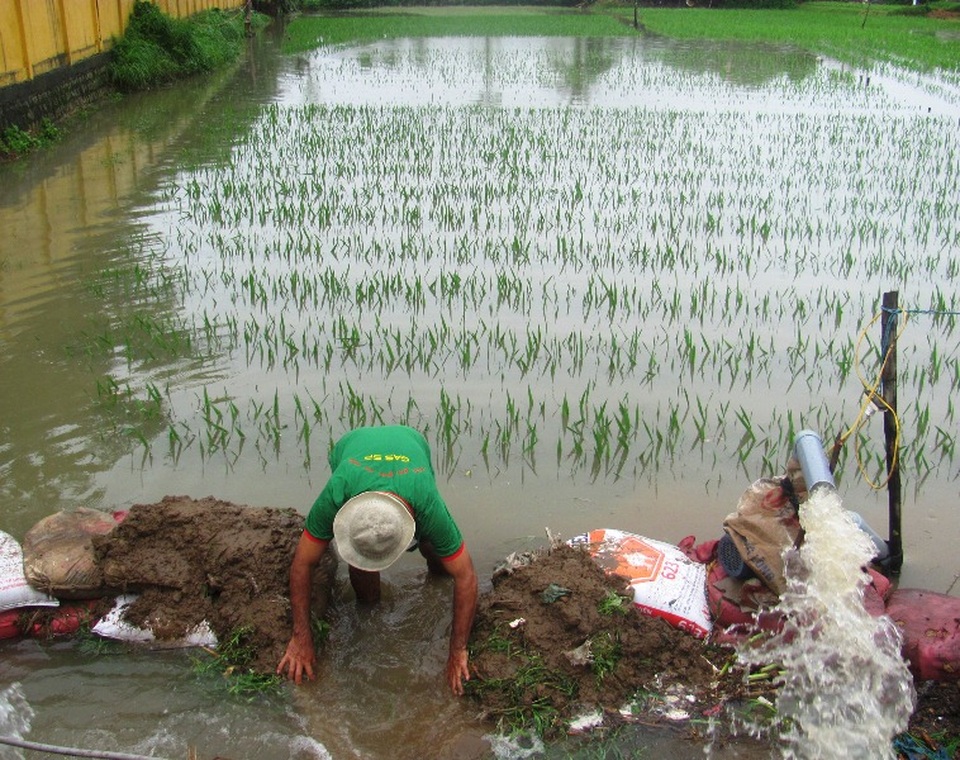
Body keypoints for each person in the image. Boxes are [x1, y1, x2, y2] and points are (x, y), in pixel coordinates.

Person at [277, 425, 478, 696]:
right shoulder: (338, 490)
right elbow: (303, 563)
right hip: (350, 444)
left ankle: (431, 567)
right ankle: (368, 605)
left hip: (410, 441)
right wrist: (301, 638)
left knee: (437, 552)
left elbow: (465, 575)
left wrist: (458, 651)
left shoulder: (426, 500)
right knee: (365, 588)